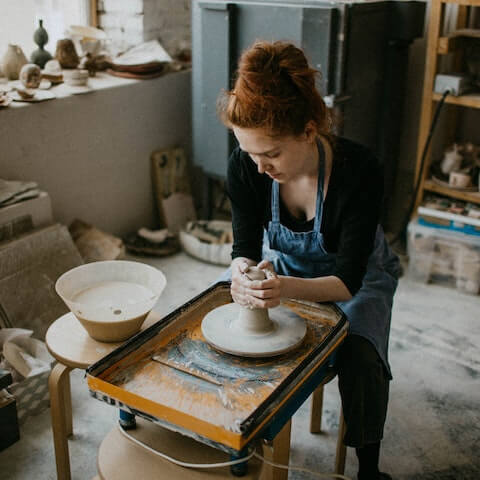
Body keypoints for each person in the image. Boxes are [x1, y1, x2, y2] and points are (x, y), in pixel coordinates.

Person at [216, 41, 401, 480]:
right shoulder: (246, 168)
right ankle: (232, 434)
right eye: (250, 153)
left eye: (271, 154)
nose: (260, 167)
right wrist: (243, 275)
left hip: (356, 277)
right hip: (285, 266)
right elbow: (245, 246)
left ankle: (368, 469)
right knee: (222, 324)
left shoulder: (360, 170)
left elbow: (347, 282)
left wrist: (281, 291)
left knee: (360, 357)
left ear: (309, 130)